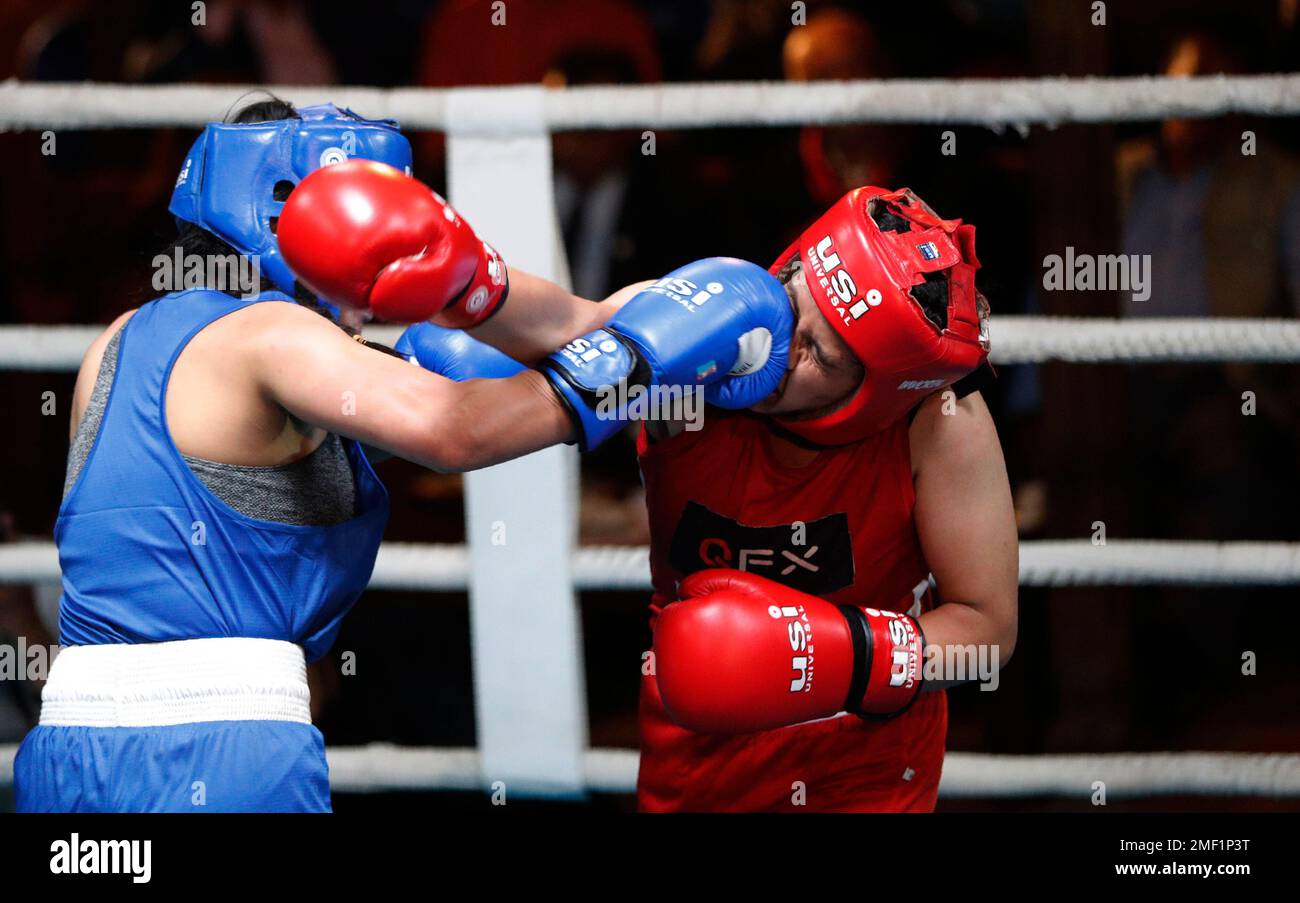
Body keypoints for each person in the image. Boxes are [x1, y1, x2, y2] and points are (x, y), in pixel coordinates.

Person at [13, 98, 792, 812]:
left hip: (70, 745)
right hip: (216, 747)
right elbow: (458, 430)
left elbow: (241, 492)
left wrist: (615, 313)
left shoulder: (117, 344)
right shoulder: (276, 338)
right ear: (294, 218)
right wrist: (638, 363)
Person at [404, 186, 1019, 811]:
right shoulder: (707, 334)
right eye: (791, 300)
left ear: (880, 394)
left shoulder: (941, 422)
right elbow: (567, 327)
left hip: (861, 766)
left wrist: (849, 656)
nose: (782, 345)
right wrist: (464, 281)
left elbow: (988, 629)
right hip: (690, 748)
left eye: (819, 354)